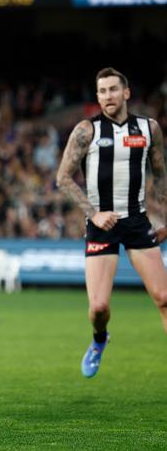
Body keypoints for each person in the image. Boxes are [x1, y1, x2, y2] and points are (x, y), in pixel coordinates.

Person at [56, 67, 167, 378]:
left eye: (113, 90)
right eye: (102, 91)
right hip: (101, 225)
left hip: (137, 221)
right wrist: (94, 213)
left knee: (164, 298)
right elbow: (63, 178)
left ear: (126, 93)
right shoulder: (86, 131)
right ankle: (99, 340)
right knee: (99, 309)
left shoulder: (149, 129)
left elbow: (160, 174)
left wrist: (164, 218)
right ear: (97, 96)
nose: (108, 96)